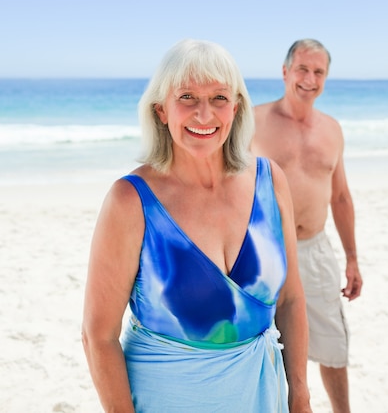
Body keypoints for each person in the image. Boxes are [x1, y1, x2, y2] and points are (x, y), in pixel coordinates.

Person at [82, 38, 312, 413]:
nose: (204, 115)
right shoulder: (130, 201)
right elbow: (98, 336)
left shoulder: (270, 181)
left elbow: (291, 298)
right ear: (161, 110)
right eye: (187, 97)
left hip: (260, 397)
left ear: (236, 107)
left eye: (219, 98)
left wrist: (299, 397)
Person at [251, 38, 363, 413]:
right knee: (264, 343)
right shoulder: (252, 121)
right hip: (261, 249)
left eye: (318, 72)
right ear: (285, 72)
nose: (309, 79)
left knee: (332, 344)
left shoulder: (332, 130)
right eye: (302, 69)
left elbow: (342, 197)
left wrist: (352, 258)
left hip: (315, 249)